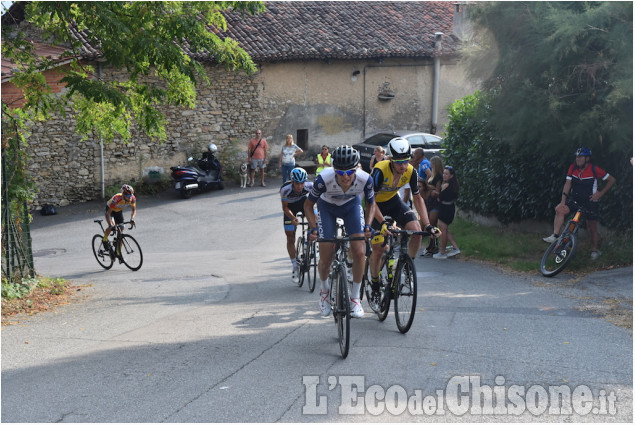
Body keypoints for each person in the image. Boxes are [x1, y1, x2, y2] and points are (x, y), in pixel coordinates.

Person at [304, 145, 375, 318]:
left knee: (359, 253)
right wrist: (313, 227)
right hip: (327, 208)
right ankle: (325, 292)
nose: (345, 177)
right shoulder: (323, 179)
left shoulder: (366, 180)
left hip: (351, 207)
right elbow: (308, 205)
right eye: (340, 173)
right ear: (334, 170)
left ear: (356, 169)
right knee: (326, 257)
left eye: (349, 172)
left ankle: (355, 298)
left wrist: (367, 225)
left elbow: (371, 204)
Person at [368, 138, 439, 304]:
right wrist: (383, 223)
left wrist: (427, 224)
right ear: (391, 159)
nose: (403, 166)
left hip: (394, 202)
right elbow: (371, 201)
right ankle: (376, 286)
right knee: (379, 249)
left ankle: (407, 267)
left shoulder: (411, 172)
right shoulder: (380, 170)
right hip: (376, 205)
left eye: (406, 161)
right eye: (399, 162)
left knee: (416, 232)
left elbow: (418, 198)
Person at [543, 147, 616, 260]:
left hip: (590, 202)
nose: (578, 159)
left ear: (587, 158)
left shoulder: (594, 169)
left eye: (580, 157)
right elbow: (567, 184)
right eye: (577, 157)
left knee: (592, 227)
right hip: (575, 200)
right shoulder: (573, 168)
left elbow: (611, 180)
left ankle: (594, 251)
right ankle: (555, 235)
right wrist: (563, 201)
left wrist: (600, 194)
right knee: (559, 209)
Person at [280, 167, 313, 283]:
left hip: (303, 203)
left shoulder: (310, 186)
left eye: (302, 183)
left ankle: (308, 243)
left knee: (315, 221)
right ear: (292, 182)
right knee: (290, 237)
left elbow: (317, 201)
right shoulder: (285, 189)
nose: (300, 187)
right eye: (297, 184)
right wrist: (293, 218)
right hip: (290, 207)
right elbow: (285, 207)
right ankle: (294, 266)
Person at [433, 166, 461, 259]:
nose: (444, 175)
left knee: (442, 230)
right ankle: (455, 247)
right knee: (444, 229)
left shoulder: (446, 185)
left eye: (446, 174)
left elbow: (439, 198)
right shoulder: (455, 185)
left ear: (451, 176)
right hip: (450, 208)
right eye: (444, 173)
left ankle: (442, 251)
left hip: (444, 209)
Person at [420, 156, 443, 257]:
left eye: (432, 163)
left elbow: (437, 190)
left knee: (433, 222)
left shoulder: (438, 176)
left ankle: (433, 245)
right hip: (428, 202)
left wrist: (428, 187)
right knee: (429, 223)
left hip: (434, 203)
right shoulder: (431, 175)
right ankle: (432, 245)